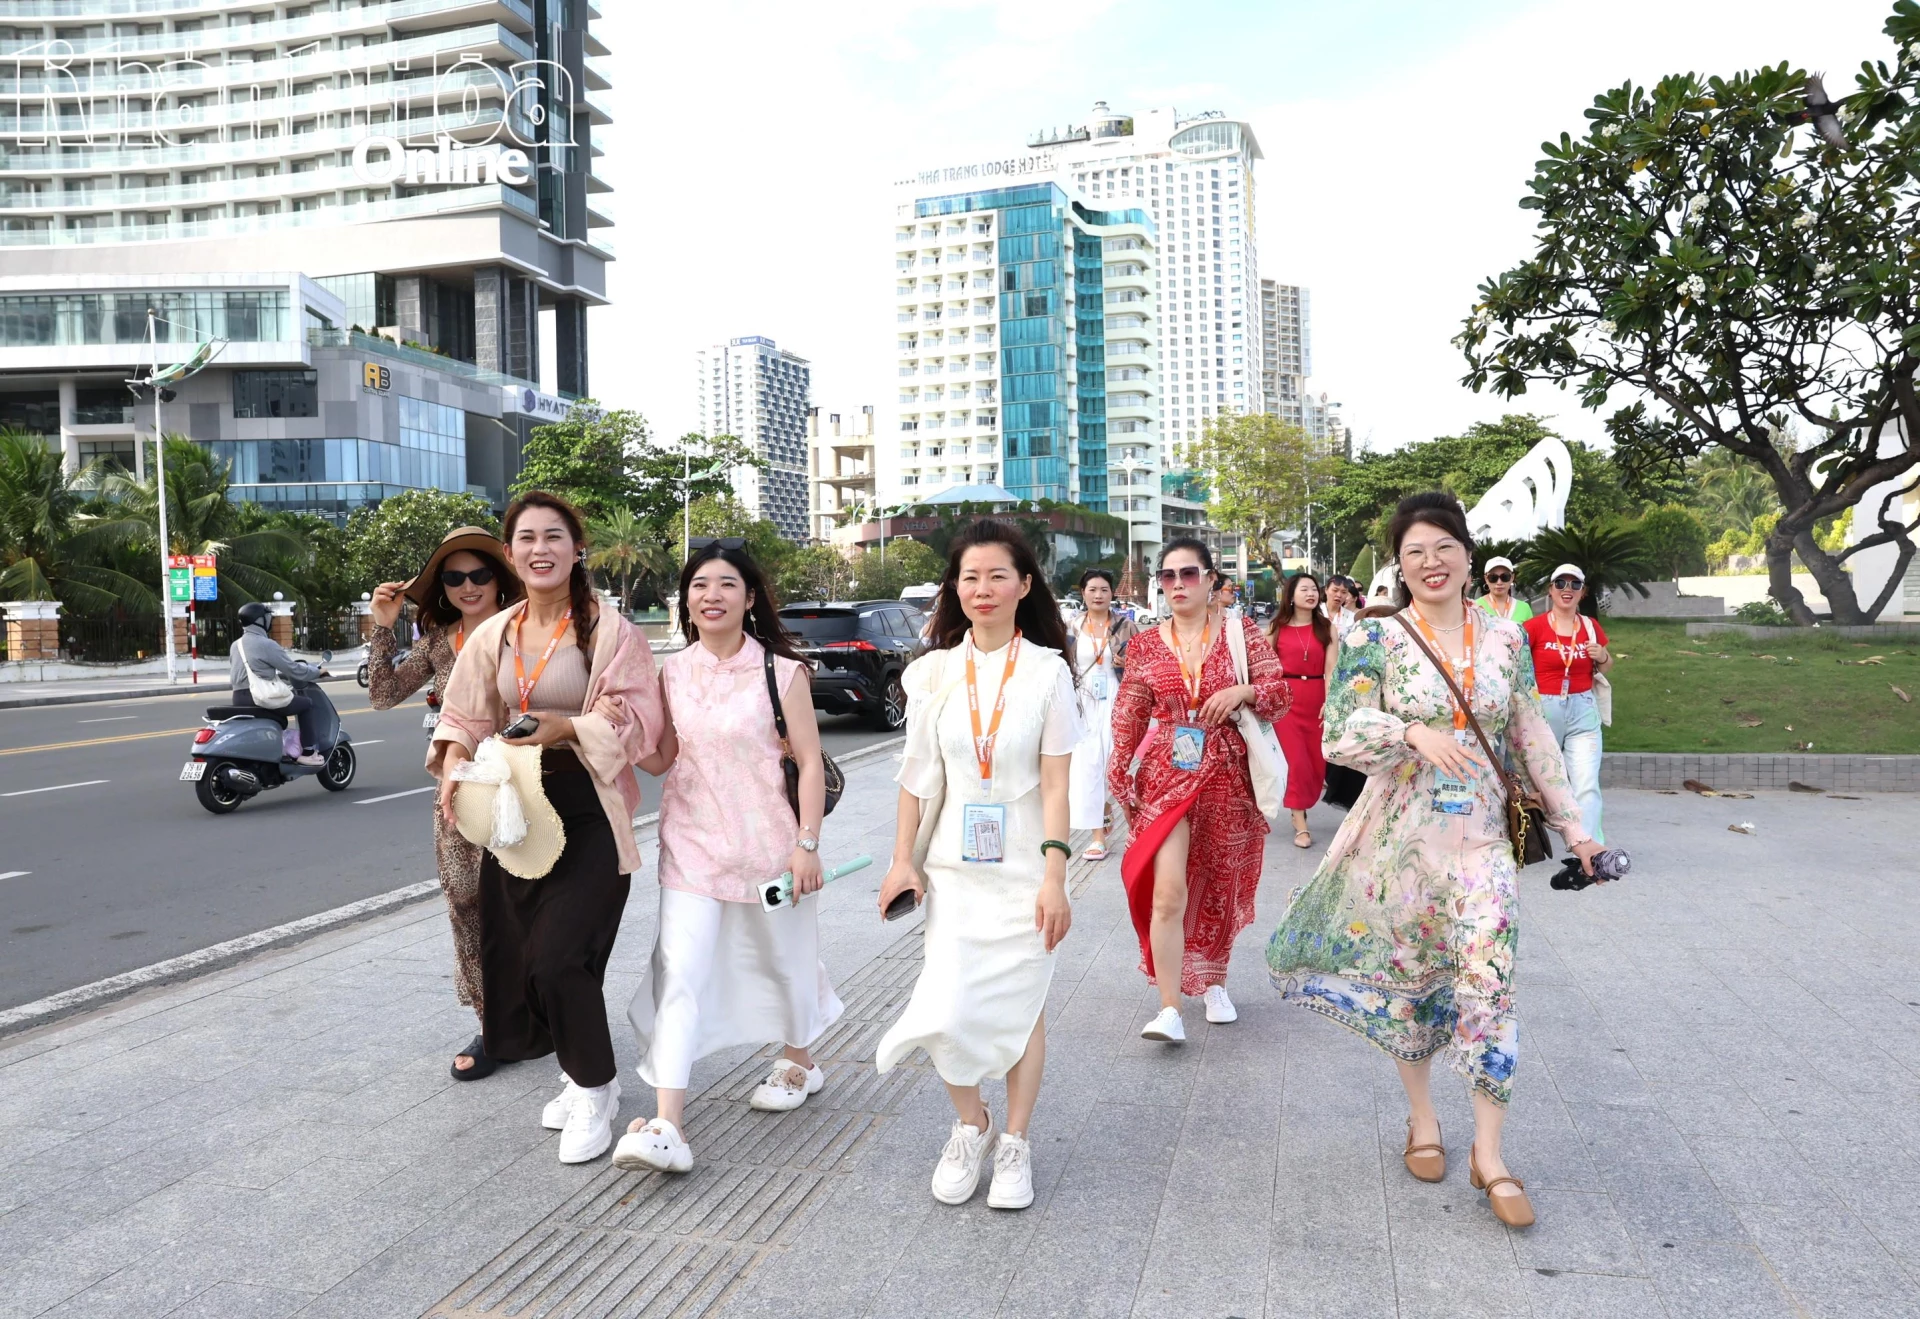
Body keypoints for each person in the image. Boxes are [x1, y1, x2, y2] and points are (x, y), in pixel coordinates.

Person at [1266, 492, 1603, 1230]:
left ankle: (1491, 1153)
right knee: (1411, 985)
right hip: (1401, 846)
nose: (1431, 562)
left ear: (1468, 554)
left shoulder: (1505, 641)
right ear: (1400, 563)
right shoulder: (1373, 639)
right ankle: (1423, 1118)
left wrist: (1576, 826)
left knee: (1491, 984)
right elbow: (1338, 735)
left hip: (1483, 843)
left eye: (1443, 546)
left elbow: (1530, 733)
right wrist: (1411, 731)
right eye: (1415, 551)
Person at [430, 491, 665, 1164]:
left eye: (554, 536)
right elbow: (465, 715)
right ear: (512, 554)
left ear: (576, 547)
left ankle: (594, 1089)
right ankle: (581, 1069)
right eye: (527, 537)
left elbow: (638, 717)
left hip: (587, 805)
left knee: (563, 954)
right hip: (514, 810)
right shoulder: (495, 632)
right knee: (530, 962)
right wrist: (452, 765)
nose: (541, 548)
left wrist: (568, 726)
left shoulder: (611, 629)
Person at [615, 542, 843, 1175]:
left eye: (726, 584)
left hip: (771, 850)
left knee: (784, 962)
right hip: (692, 848)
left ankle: (800, 1059)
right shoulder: (671, 672)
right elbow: (664, 759)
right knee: (681, 973)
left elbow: (806, 766)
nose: (710, 595)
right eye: (699, 585)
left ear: (749, 598)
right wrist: (622, 736)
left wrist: (806, 845)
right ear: (685, 600)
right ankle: (668, 1126)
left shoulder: (781, 672)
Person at [875, 520, 1081, 1212]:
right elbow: (915, 778)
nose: (983, 588)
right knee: (945, 1004)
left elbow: (1057, 784)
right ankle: (973, 1123)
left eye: (998, 575)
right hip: (957, 874)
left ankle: (1016, 1140)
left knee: (1023, 1009)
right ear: (954, 588)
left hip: (1025, 869)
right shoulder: (932, 672)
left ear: (1025, 584)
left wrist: (1057, 876)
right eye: (970, 576)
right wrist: (903, 859)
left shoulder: (1050, 672)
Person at [1111, 537, 1289, 1043]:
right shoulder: (1145, 644)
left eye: (1188, 574)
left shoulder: (1241, 633)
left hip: (1228, 776)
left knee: (1217, 886)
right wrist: (1119, 773)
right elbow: (1128, 712)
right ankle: (1169, 1007)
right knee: (1168, 891)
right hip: (1167, 776)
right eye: (1167, 576)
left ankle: (1214, 981)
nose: (1177, 585)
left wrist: (1243, 691)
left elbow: (1279, 694)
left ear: (1211, 579)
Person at [366, 526, 523, 1080]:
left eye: (480, 574)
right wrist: (382, 630)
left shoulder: (525, 628)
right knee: (466, 908)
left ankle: (538, 1013)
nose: (468, 585)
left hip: (527, 785)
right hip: (459, 791)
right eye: (454, 577)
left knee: (527, 906)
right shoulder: (439, 640)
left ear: (499, 576)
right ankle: (491, 1025)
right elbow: (383, 695)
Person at [1522, 564, 1611, 845]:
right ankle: (1526, 838)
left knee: (1586, 783)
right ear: (1550, 590)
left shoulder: (1590, 626)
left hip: (1582, 707)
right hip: (1542, 709)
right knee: (1539, 780)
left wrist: (1604, 655)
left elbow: (1605, 666)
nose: (1567, 589)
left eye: (1574, 584)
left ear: (1582, 592)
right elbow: (1516, 666)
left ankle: (1590, 846)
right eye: (1560, 583)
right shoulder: (1533, 627)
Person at [1066, 567, 1136, 862]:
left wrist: (1127, 662)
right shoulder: (1071, 627)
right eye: (1092, 589)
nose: (1098, 594)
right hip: (1082, 702)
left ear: (1112, 594)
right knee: (1086, 768)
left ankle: (1110, 809)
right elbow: (1062, 665)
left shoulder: (1125, 627)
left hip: (1116, 699)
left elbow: (1142, 666)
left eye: (1104, 589)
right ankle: (1097, 837)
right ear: (1083, 593)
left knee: (1115, 764)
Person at [1268, 571, 1330, 849]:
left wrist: (1330, 703)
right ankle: (1299, 822)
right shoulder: (1276, 627)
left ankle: (1302, 806)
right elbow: (1265, 669)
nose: (1311, 593)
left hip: (1317, 699)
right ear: (1291, 596)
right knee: (1297, 762)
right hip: (1286, 701)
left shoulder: (1326, 627)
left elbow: (1331, 670)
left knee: (1316, 763)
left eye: (1314, 589)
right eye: (1304, 589)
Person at [227, 601, 329, 765]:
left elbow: (252, 671)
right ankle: (309, 751)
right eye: (267, 618)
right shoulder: (266, 644)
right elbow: (293, 669)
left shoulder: (235, 645)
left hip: (239, 698)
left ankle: (279, 749)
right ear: (260, 621)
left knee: (282, 714)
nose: (270, 621)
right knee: (306, 704)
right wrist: (318, 671)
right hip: (259, 697)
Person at [1476, 557, 1534, 624]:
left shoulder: (1524, 608)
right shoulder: (1476, 607)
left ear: (1512, 577)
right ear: (1486, 579)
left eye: (1505, 577)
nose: (1499, 582)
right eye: (1493, 577)